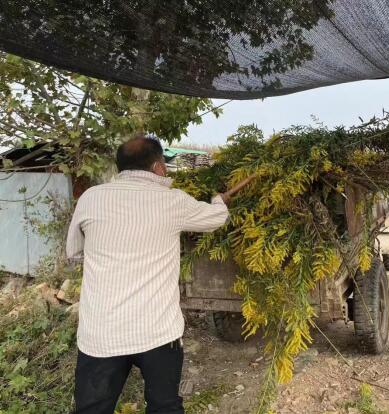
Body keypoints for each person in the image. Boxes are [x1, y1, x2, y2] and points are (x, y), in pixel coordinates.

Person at [66, 135, 254, 413]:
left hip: (101, 333)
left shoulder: (90, 198)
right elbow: (216, 218)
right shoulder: (172, 201)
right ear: (158, 167)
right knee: (164, 406)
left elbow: (74, 252)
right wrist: (219, 200)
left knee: (91, 409)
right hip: (157, 333)